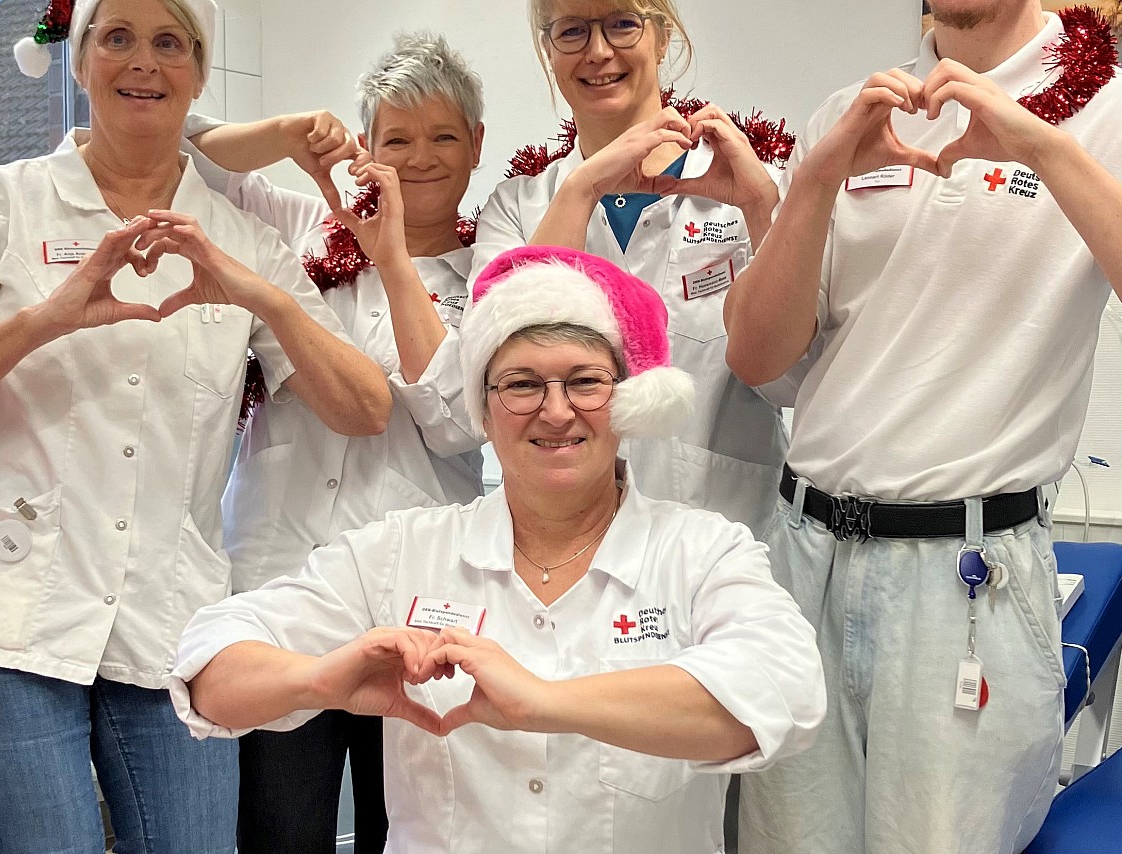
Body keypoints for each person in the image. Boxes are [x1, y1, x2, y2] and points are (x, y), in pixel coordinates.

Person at [725, 2, 1122, 853]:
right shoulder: (849, 112)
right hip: (803, 559)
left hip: (961, 585)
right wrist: (816, 180)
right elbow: (759, 358)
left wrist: (1045, 149)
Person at [0, 0, 390, 851]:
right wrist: (47, 319)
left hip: (162, 616)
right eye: (118, 38)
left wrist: (259, 296)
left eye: (169, 43)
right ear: (80, 63)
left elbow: (362, 409)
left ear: (198, 74)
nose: (143, 62)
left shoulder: (241, 238)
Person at [171, 245, 827, 854]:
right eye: (521, 385)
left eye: (585, 382)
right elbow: (209, 672)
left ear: (625, 401)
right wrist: (318, 680)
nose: (556, 411)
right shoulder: (406, 551)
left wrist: (545, 702)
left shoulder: (699, 551)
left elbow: (784, 690)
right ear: (483, 411)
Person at [179, 33, 487, 854]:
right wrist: (285, 135)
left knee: (414, 830)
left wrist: (391, 258)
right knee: (283, 831)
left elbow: (455, 421)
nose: (420, 158)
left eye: (443, 137)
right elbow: (180, 143)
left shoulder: (493, 272)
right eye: (396, 139)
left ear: (477, 147)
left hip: (420, 606)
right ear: (365, 148)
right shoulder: (299, 228)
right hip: (287, 591)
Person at [472, 0, 796, 536]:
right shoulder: (518, 207)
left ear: (663, 37)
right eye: (572, 30)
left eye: (623, 23)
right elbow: (498, 372)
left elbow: (791, 380)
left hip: (727, 528)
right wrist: (582, 190)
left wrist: (762, 209)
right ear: (549, 51)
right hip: (560, 537)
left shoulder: (748, 188)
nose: (599, 52)